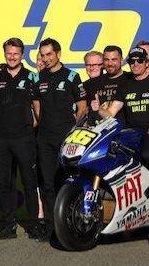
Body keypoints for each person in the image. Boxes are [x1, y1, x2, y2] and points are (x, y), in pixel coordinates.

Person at [96, 47, 149, 238]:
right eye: (131, 62)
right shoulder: (126, 84)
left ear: (147, 62)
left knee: (148, 155)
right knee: (114, 158)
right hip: (132, 132)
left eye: (139, 61)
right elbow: (111, 113)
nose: (135, 65)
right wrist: (99, 110)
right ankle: (129, 208)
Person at [0, 38, 42, 240]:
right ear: (4, 54)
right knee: (4, 183)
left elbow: (37, 106)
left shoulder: (31, 77)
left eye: (16, 53)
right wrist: (0, 120)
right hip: (0, 139)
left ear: (22, 54)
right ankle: (8, 225)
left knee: (29, 182)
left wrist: (31, 124)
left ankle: (34, 224)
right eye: (9, 53)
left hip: (24, 139)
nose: (12, 57)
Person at [33, 38, 86, 240]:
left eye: (49, 54)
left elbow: (82, 106)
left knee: (68, 181)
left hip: (67, 138)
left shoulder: (72, 76)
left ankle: (73, 223)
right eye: (43, 55)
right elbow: (37, 106)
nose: (46, 59)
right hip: (44, 139)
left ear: (58, 54)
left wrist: (74, 129)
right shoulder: (39, 78)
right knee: (48, 184)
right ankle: (51, 227)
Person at [85, 46, 129, 126]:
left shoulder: (130, 79)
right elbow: (85, 111)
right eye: (106, 60)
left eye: (114, 59)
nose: (110, 63)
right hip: (95, 133)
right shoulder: (91, 83)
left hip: (121, 133)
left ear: (121, 60)